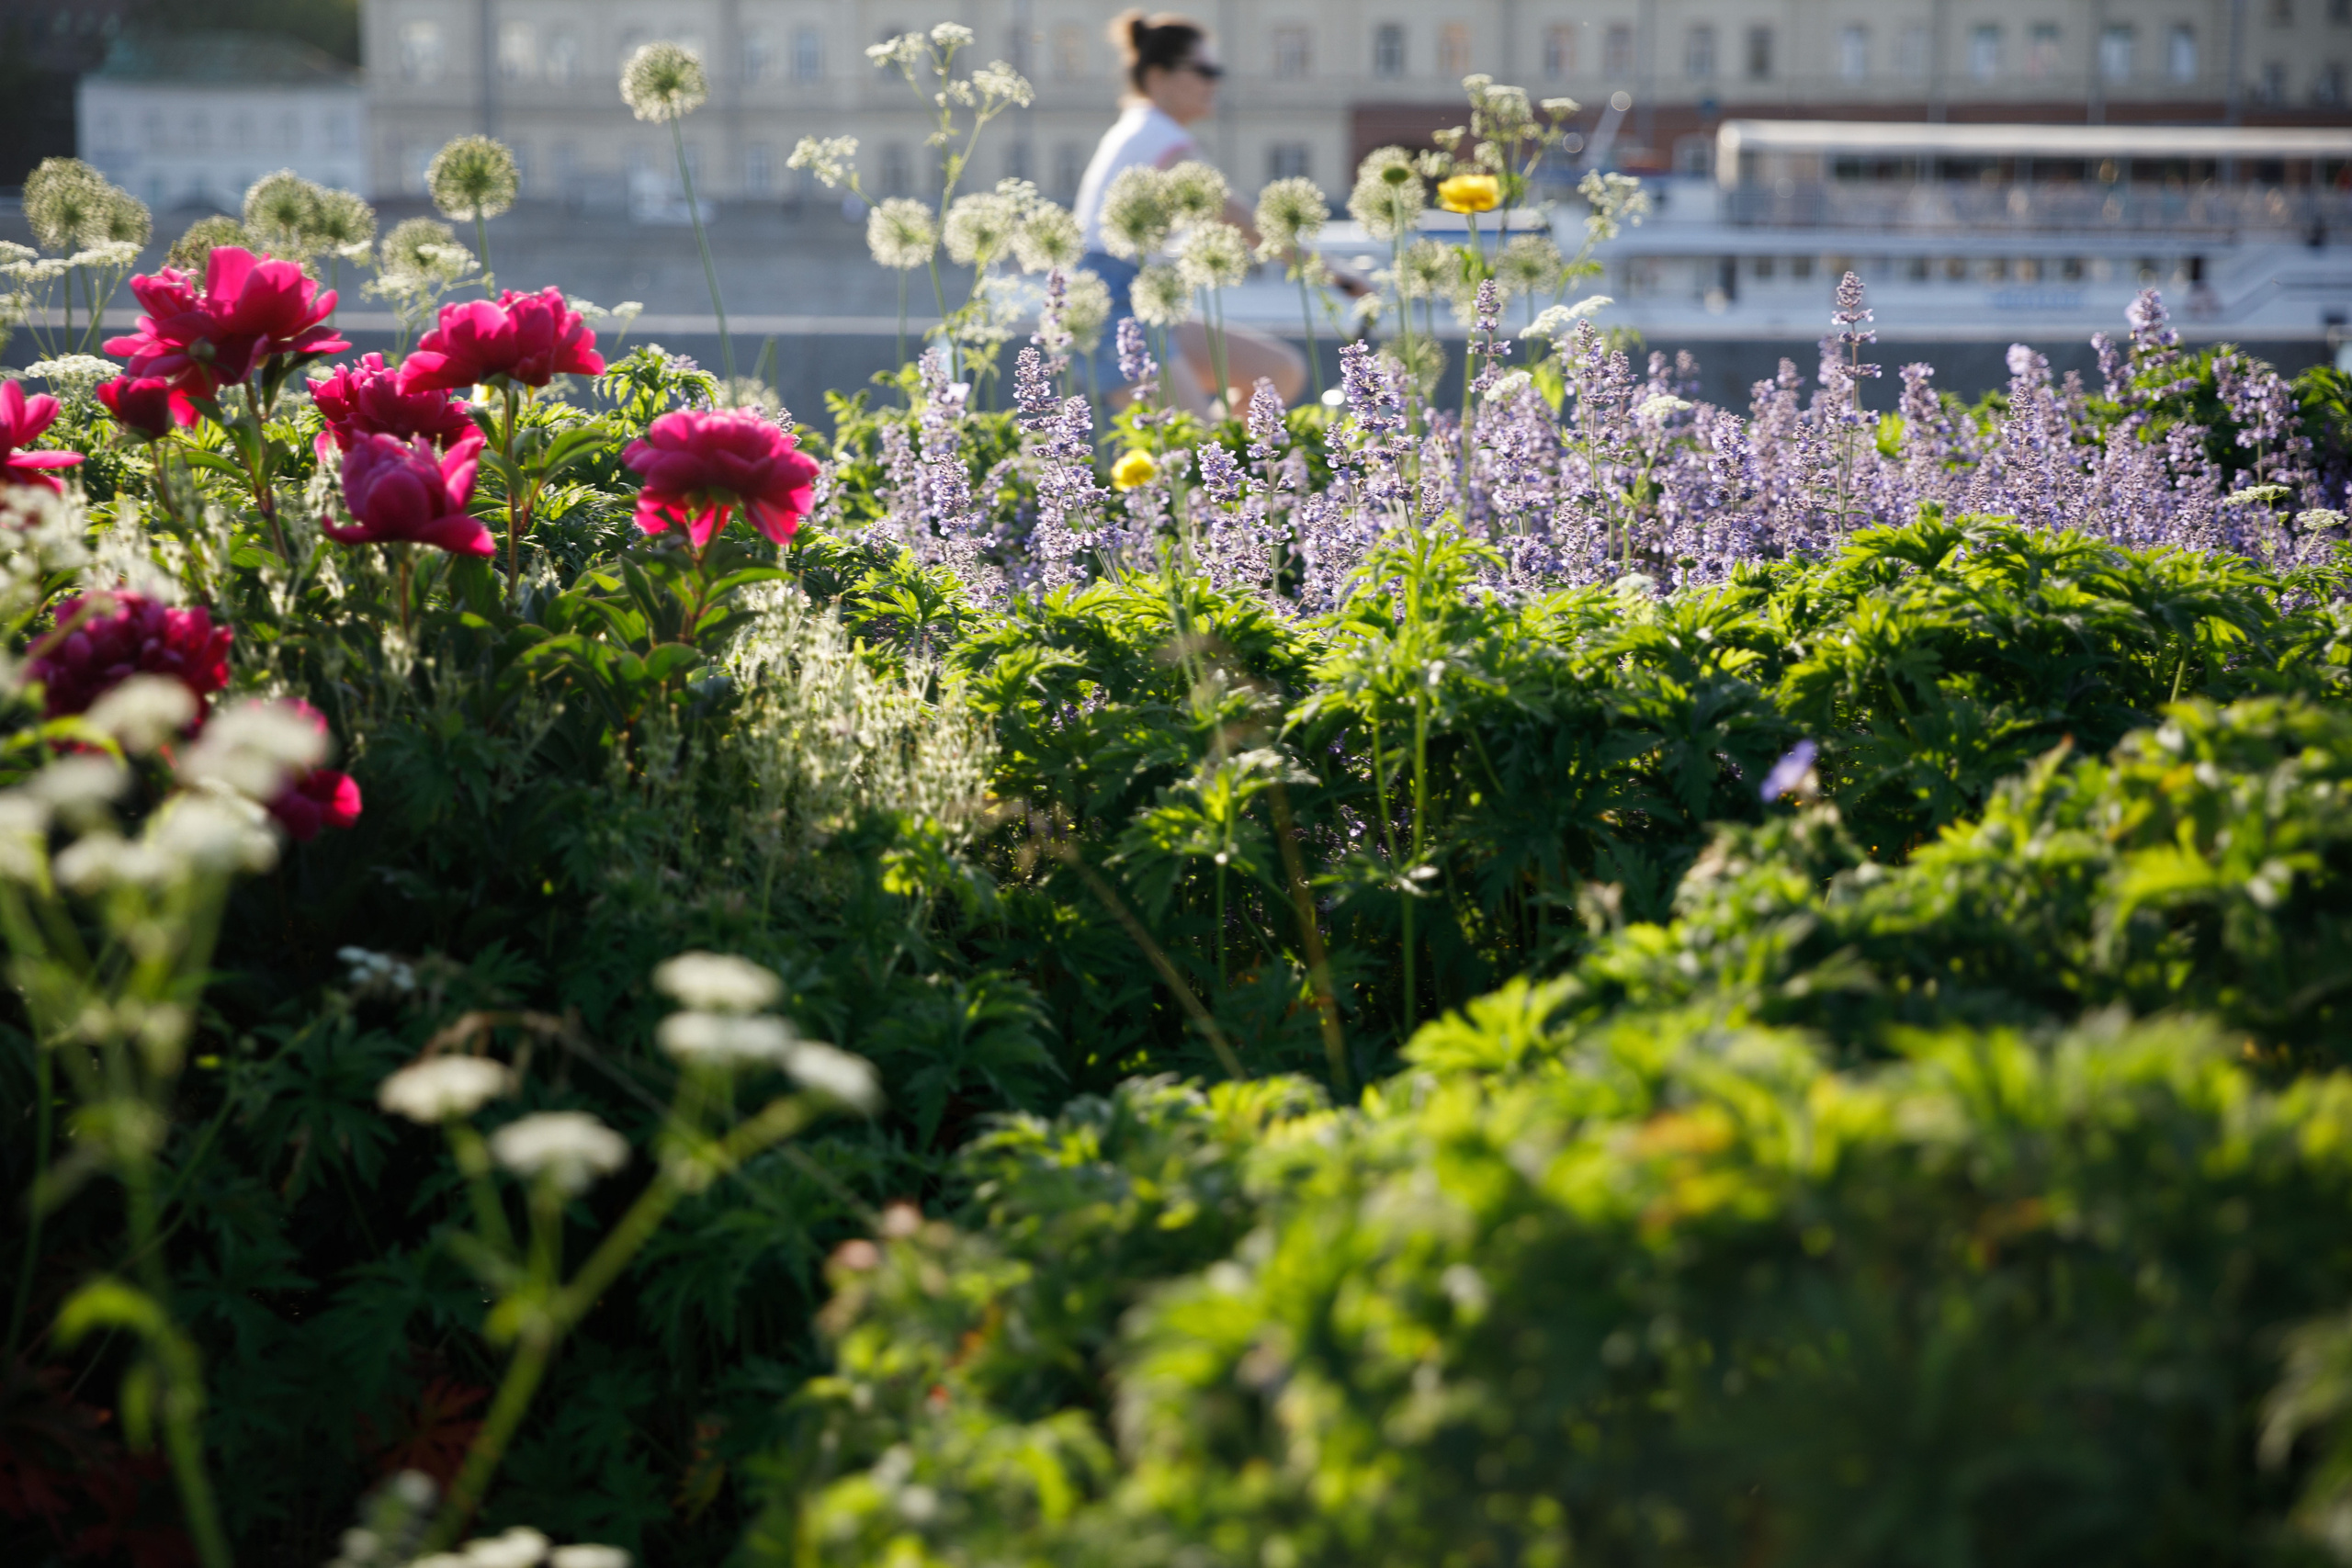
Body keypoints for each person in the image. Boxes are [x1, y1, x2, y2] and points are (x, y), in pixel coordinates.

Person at [1074, 10, 1308, 414]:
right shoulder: (1154, 133)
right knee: (1194, 449)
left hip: (1143, 296)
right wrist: (1324, 268)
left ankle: (1236, 466)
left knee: (1276, 372)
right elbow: (1231, 210)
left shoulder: (1149, 129)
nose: (1213, 82)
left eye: (1217, 71)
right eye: (1203, 70)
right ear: (1158, 76)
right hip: (1109, 303)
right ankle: (1211, 469)